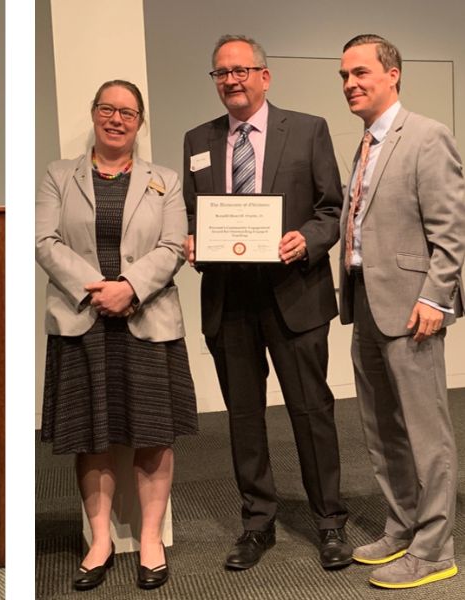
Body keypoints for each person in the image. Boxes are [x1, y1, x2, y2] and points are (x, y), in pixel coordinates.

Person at [182, 34, 352, 570]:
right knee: (244, 417)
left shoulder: (307, 129)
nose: (231, 80)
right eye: (221, 73)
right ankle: (257, 523)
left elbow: (332, 208)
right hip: (228, 298)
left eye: (240, 70)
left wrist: (308, 239)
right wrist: (193, 242)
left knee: (311, 411)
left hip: (294, 293)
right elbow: (192, 213)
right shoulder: (198, 139)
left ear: (264, 75)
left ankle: (330, 521)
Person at [37, 79, 197, 592]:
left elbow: (173, 246)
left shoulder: (165, 180)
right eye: (107, 109)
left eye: (127, 112)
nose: (116, 119)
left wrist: (128, 288)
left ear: (139, 122)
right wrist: (97, 291)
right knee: (91, 434)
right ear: (93, 113)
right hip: (82, 320)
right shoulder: (58, 175)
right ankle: (100, 540)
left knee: (153, 433)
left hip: (147, 319)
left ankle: (150, 540)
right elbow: (43, 240)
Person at [337, 34, 465, 589]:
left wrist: (436, 297)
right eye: (344, 76)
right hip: (365, 299)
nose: (350, 84)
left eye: (360, 73)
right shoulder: (366, 143)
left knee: (426, 433)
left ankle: (434, 550)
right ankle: (403, 525)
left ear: (393, 74)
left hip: (413, 307)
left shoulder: (427, 136)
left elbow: (452, 229)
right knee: (380, 426)